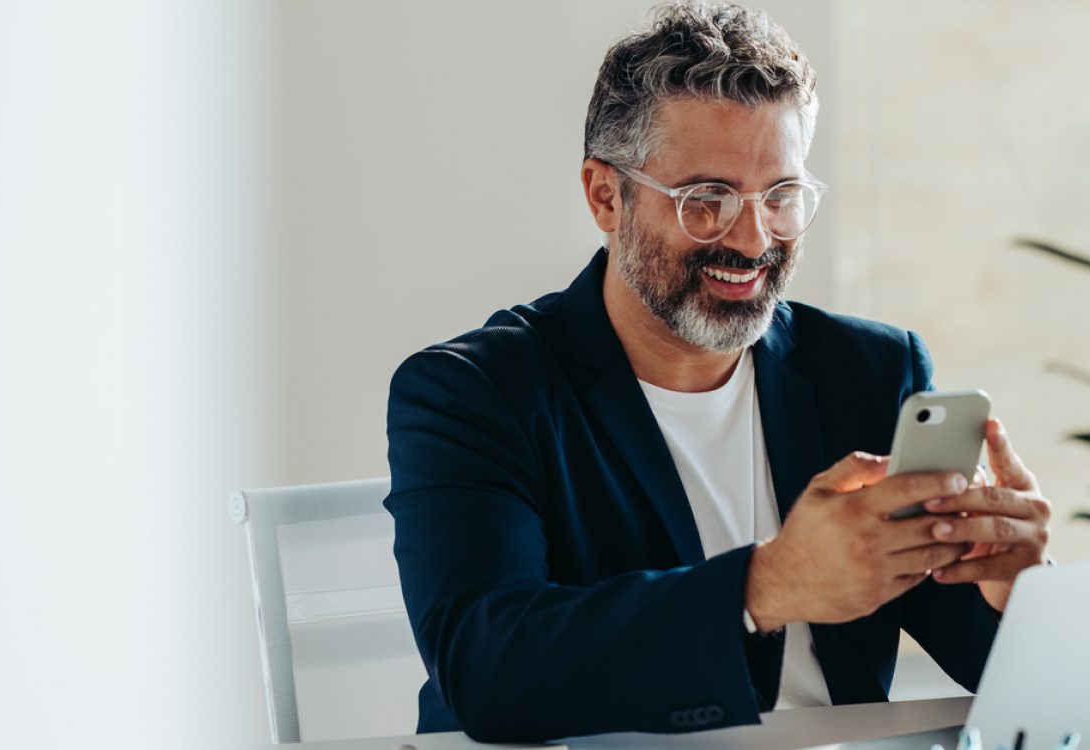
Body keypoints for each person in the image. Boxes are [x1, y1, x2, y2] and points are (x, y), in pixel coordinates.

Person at [386, 2, 1052, 742]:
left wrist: (1009, 592)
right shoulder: (473, 393)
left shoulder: (869, 371)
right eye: (707, 200)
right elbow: (488, 669)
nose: (753, 237)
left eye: (782, 196)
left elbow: (988, 657)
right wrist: (766, 586)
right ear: (606, 196)